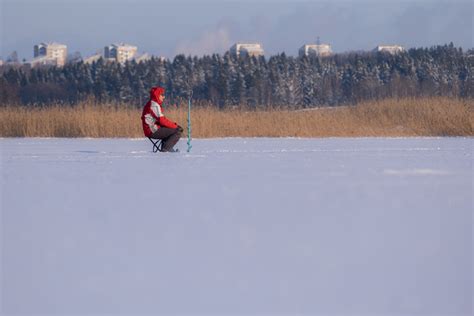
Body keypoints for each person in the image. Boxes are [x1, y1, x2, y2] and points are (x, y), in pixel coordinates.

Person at [141, 86, 183, 152]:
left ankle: (166, 148)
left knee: (173, 129)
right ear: (157, 95)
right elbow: (162, 120)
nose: (164, 97)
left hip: (152, 129)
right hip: (152, 130)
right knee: (178, 130)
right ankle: (166, 149)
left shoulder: (152, 104)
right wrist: (175, 126)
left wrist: (173, 125)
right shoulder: (154, 105)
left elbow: (161, 121)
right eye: (162, 95)